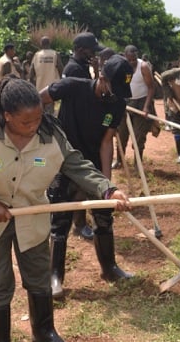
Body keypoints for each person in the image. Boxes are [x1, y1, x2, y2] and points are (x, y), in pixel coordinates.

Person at [0, 77, 131, 342]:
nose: (34, 126)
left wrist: (107, 189)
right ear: (7, 115)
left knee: (38, 278)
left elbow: (75, 164)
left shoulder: (51, 136)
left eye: (38, 118)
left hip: (32, 219)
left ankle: (44, 331)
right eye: (26, 122)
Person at [40, 54, 136, 297]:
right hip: (63, 162)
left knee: (104, 217)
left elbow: (106, 143)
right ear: (101, 78)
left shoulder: (117, 103)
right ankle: (55, 277)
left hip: (92, 166)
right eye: (114, 89)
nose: (116, 95)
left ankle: (109, 268)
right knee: (60, 221)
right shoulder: (72, 87)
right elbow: (38, 99)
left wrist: (106, 185)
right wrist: (42, 127)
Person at [58, 32, 104, 241]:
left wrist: (94, 70)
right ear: (80, 49)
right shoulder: (73, 69)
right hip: (73, 129)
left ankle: (79, 221)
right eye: (91, 50)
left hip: (80, 126)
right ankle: (79, 223)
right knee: (77, 179)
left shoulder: (82, 67)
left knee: (81, 178)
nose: (93, 54)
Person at [115, 45, 155, 168]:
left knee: (139, 135)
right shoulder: (121, 67)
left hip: (141, 102)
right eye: (129, 59)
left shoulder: (143, 67)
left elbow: (151, 88)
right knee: (121, 134)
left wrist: (146, 107)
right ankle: (119, 161)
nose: (132, 62)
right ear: (125, 57)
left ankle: (138, 163)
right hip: (125, 103)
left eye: (134, 59)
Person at [29, 36, 64, 114]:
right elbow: (61, 69)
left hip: (40, 87)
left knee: (41, 109)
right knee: (50, 111)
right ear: (49, 43)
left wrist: (32, 85)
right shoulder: (55, 54)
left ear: (41, 44)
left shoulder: (37, 55)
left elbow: (31, 73)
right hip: (52, 87)